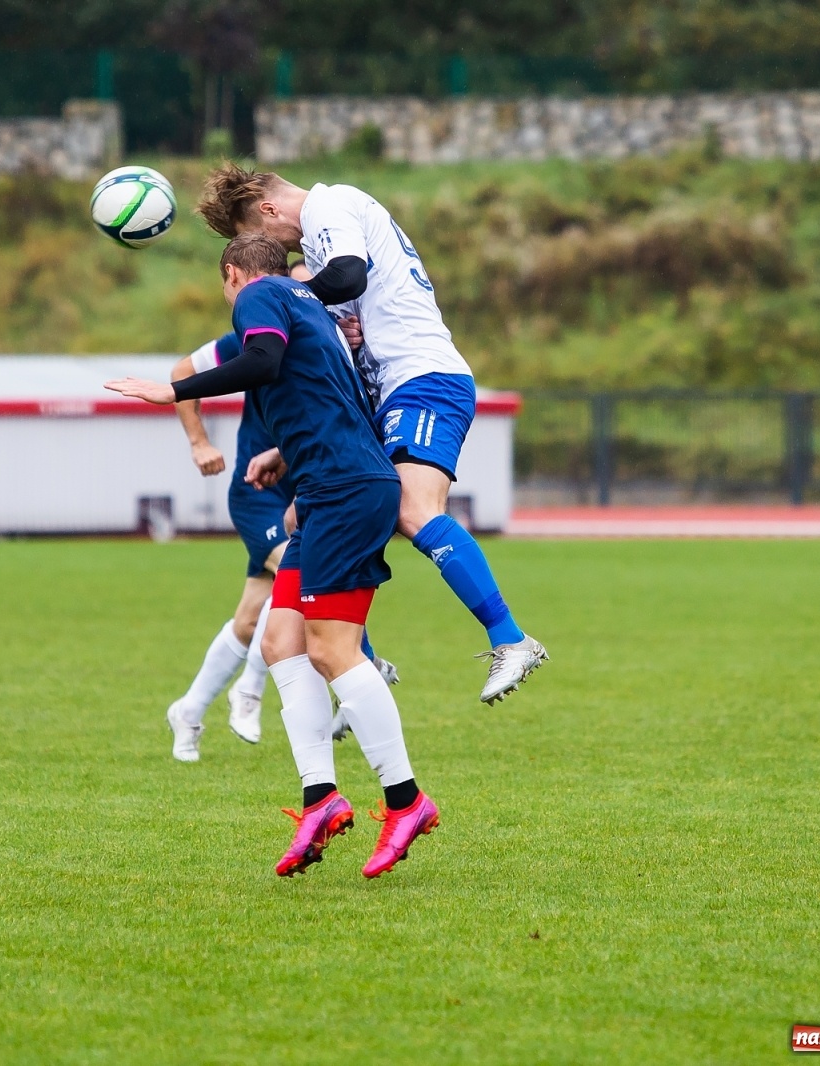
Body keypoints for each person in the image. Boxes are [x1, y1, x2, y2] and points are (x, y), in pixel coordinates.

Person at [107, 234, 438, 880]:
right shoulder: (306, 300)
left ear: (232, 274)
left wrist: (169, 393)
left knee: (332, 650)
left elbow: (261, 362)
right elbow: (327, 394)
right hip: (326, 489)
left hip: (343, 490)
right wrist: (289, 460)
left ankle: (407, 801)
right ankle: (321, 797)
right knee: (281, 640)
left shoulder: (258, 294)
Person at [195, 163, 548, 705]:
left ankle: (511, 638)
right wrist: (288, 452)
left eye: (261, 238)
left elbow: (347, 276)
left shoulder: (329, 207)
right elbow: (342, 317)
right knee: (303, 518)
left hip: (422, 377)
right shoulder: (317, 246)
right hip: (388, 393)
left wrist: (297, 296)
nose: (270, 257)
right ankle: (357, 660)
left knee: (411, 508)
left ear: (268, 210)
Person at [165, 320, 398, 762]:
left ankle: (189, 710)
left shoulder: (335, 341)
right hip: (257, 493)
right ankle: (253, 691)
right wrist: (199, 442)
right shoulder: (259, 333)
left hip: (308, 490)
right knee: (305, 580)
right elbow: (181, 373)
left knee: (251, 619)